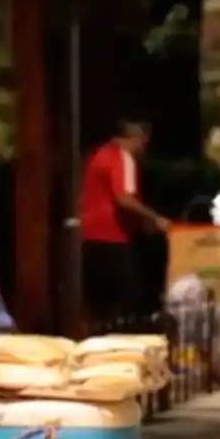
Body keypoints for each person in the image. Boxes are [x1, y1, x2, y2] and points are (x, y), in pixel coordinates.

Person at [79, 121, 169, 327]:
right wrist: (155, 219)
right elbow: (124, 198)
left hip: (91, 235)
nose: (143, 149)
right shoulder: (123, 158)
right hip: (114, 236)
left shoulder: (100, 154)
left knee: (99, 301)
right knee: (127, 297)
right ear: (136, 138)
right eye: (143, 143)